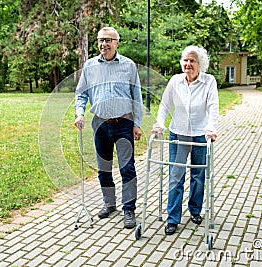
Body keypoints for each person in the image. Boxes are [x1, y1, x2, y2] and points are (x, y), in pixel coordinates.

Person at [74, 27, 143, 229]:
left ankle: (129, 209)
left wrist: (137, 124)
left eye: (108, 40)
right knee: (104, 168)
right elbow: (81, 94)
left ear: (117, 43)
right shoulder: (90, 66)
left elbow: (136, 96)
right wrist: (79, 113)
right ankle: (109, 203)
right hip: (100, 124)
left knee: (127, 168)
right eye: (100, 40)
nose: (104, 44)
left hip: (123, 124)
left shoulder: (128, 66)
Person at [152, 45, 219, 235]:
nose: (188, 64)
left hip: (200, 134)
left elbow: (213, 107)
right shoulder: (175, 81)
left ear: (200, 64)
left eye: (192, 61)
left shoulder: (209, 81)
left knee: (198, 176)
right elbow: (165, 105)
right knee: (175, 176)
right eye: (186, 60)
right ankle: (173, 218)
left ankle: (195, 211)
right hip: (178, 133)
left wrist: (211, 128)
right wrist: (159, 124)